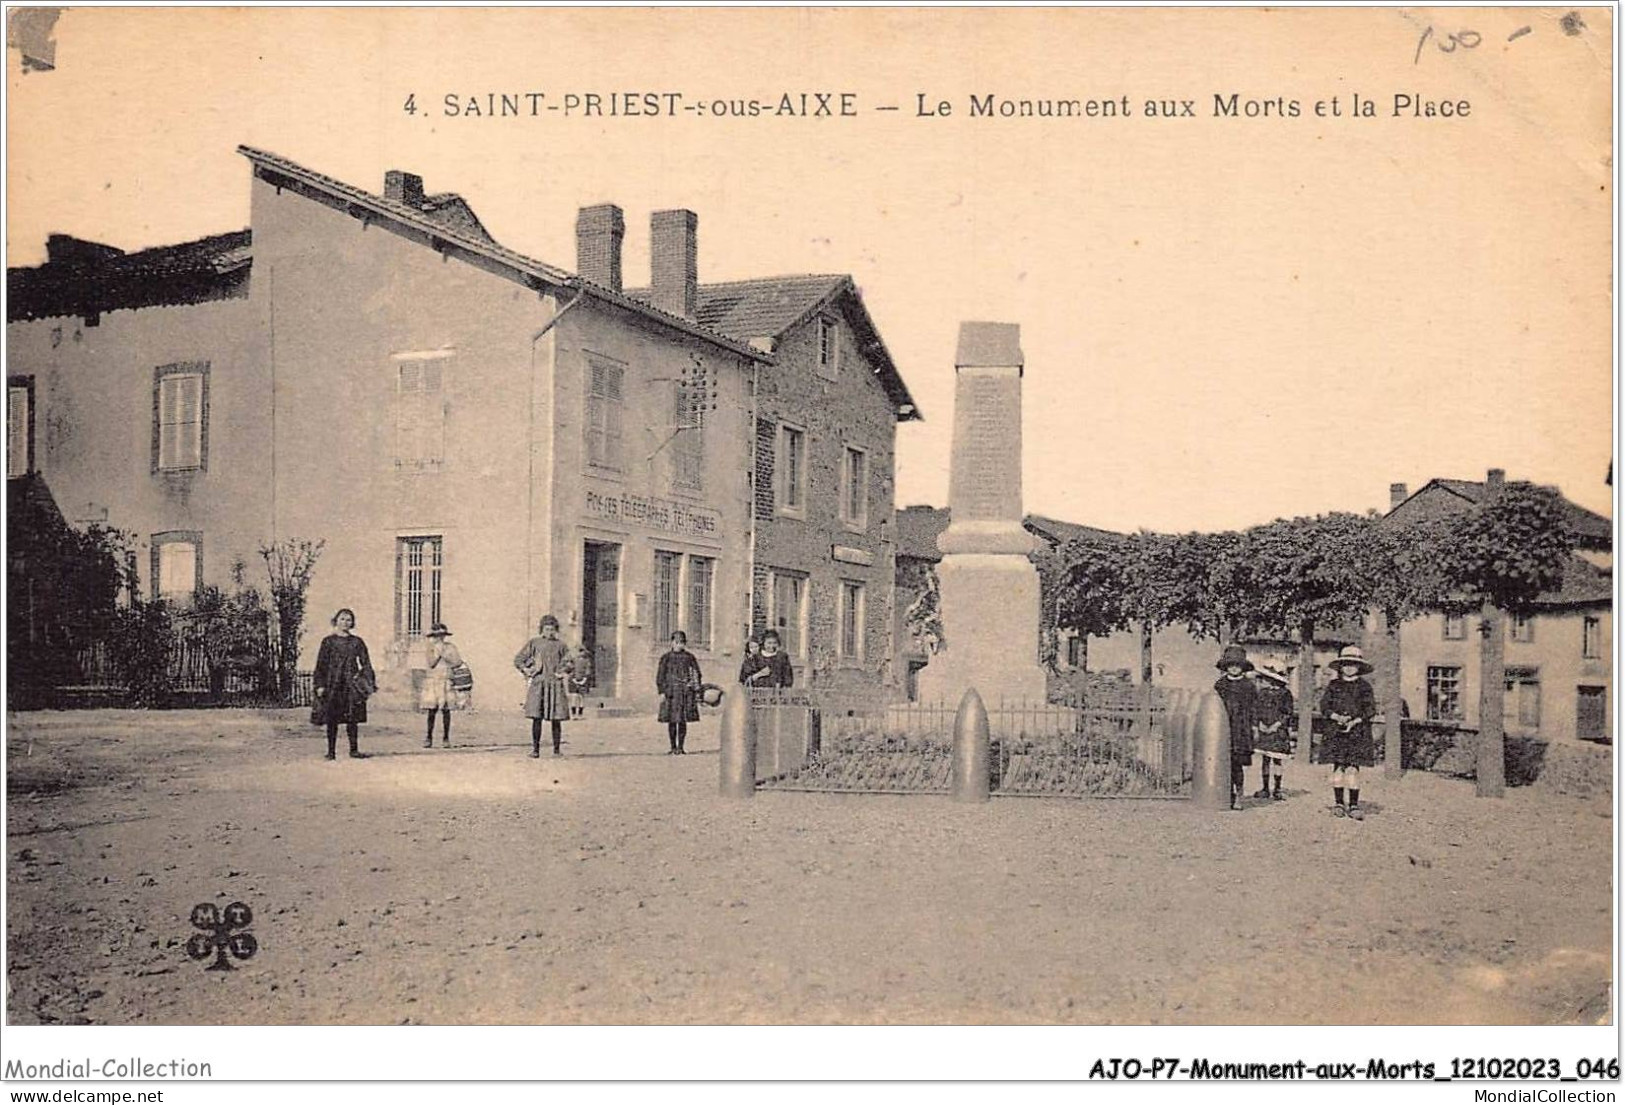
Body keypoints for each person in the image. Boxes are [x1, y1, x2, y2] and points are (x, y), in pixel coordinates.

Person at [1319, 645, 1377, 820]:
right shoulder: (1334, 685)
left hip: (1357, 732)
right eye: (1345, 664)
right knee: (1338, 767)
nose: (1349, 668)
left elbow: (1370, 709)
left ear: (1359, 667)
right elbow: (1324, 706)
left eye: (1353, 664)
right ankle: (1338, 803)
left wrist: (1355, 721)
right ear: (1340, 666)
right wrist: (1335, 716)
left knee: (1352, 768)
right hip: (1336, 731)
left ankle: (1353, 804)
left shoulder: (1365, 687)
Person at [311, 608, 376, 761]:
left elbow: (366, 663)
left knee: (352, 718)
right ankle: (331, 752)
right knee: (331, 718)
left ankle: (354, 750)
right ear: (336, 621)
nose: (345, 622)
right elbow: (321, 665)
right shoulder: (328, 642)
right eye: (342, 619)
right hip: (332, 684)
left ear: (352, 623)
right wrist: (320, 685)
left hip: (350, 685)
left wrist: (366, 683)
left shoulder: (357, 642)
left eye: (348, 619)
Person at [515, 615, 572, 757]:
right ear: (542, 629)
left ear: (556, 630)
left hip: (555, 684)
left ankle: (557, 750)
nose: (550, 632)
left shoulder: (561, 645)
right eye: (547, 629)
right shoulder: (534, 643)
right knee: (536, 718)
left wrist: (563, 672)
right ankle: (535, 750)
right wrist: (527, 670)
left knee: (556, 719)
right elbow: (519, 659)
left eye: (552, 629)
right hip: (538, 684)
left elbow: (569, 662)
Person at [1212, 644, 1257, 810]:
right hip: (1224, 726)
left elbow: (1254, 707)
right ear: (1226, 667)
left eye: (1238, 665)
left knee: (1237, 763)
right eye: (1231, 665)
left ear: (1243, 667)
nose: (1234, 668)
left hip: (1241, 728)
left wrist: (1253, 727)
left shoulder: (1249, 686)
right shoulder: (1220, 685)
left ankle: (1239, 794)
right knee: (1223, 761)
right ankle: (1226, 793)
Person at [1251, 659, 1296, 801]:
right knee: (1265, 759)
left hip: (1278, 730)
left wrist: (1277, 725)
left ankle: (1277, 787)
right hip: (1264, 728)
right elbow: (1256, 710)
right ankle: (1265, 787)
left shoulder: (1285, 694)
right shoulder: (1262, 693)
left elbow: (1288, 713)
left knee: (1277, 759)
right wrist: (1259, 724)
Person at [656, 630, 703, 755]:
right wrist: (662, 691)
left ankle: (681, 747)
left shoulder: (689, 657)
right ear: (671, 643)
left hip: (685, 693)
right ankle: (672, 746)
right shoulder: (665, 658)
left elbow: (696, 673)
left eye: (681, 643)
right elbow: (660, 676)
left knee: (682, 720)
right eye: (676, 642)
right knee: (671, 720)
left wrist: (694, 687)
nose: (679, 645)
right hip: (670, 692)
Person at [419, 623, 462, 749]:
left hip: (446, 679)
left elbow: (458, 662)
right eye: (437, 636)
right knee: (432, 710)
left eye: (442, 635)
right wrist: (439, 654)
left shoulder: (451, 647)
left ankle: (446, 738)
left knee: (446, 710)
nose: (440, 638)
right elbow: (431, 663)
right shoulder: (430, 648)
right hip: (433, 680)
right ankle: (428, 737)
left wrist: (448, 657)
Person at [567, 644, 593, 720]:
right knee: (574, 697)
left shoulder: (587, 661)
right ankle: (574, 714)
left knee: (581, 698)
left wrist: (584, 680)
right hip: (574, 680)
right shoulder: (573, 660)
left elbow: (588, 671)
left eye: (582, 651)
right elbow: (570, 670)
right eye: (579, 651)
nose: (581, 653)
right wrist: (573, 679)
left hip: (583, 680)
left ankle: (580, 714)